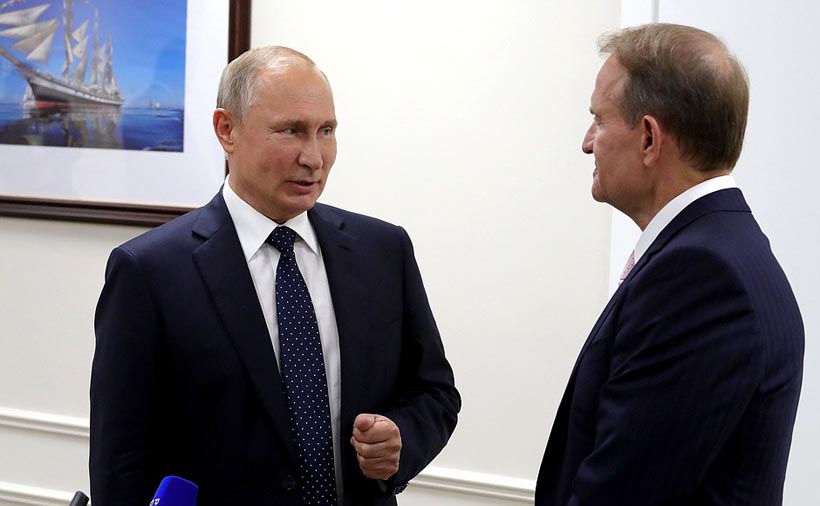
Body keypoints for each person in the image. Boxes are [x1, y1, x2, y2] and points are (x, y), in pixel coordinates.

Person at [90, 46, 460, 506]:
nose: (314, 157)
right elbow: (121, 461)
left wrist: (401, 439)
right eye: (291, 131)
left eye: (326, 131)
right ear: (227, 130)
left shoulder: (383, 250)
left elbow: (434, 391)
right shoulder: (148, 272)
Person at [535, 24, 804, 506]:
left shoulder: (701, 275)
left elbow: (622, 493)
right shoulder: (725, 248)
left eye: (599, 120)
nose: (587, 143)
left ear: (649, 139)